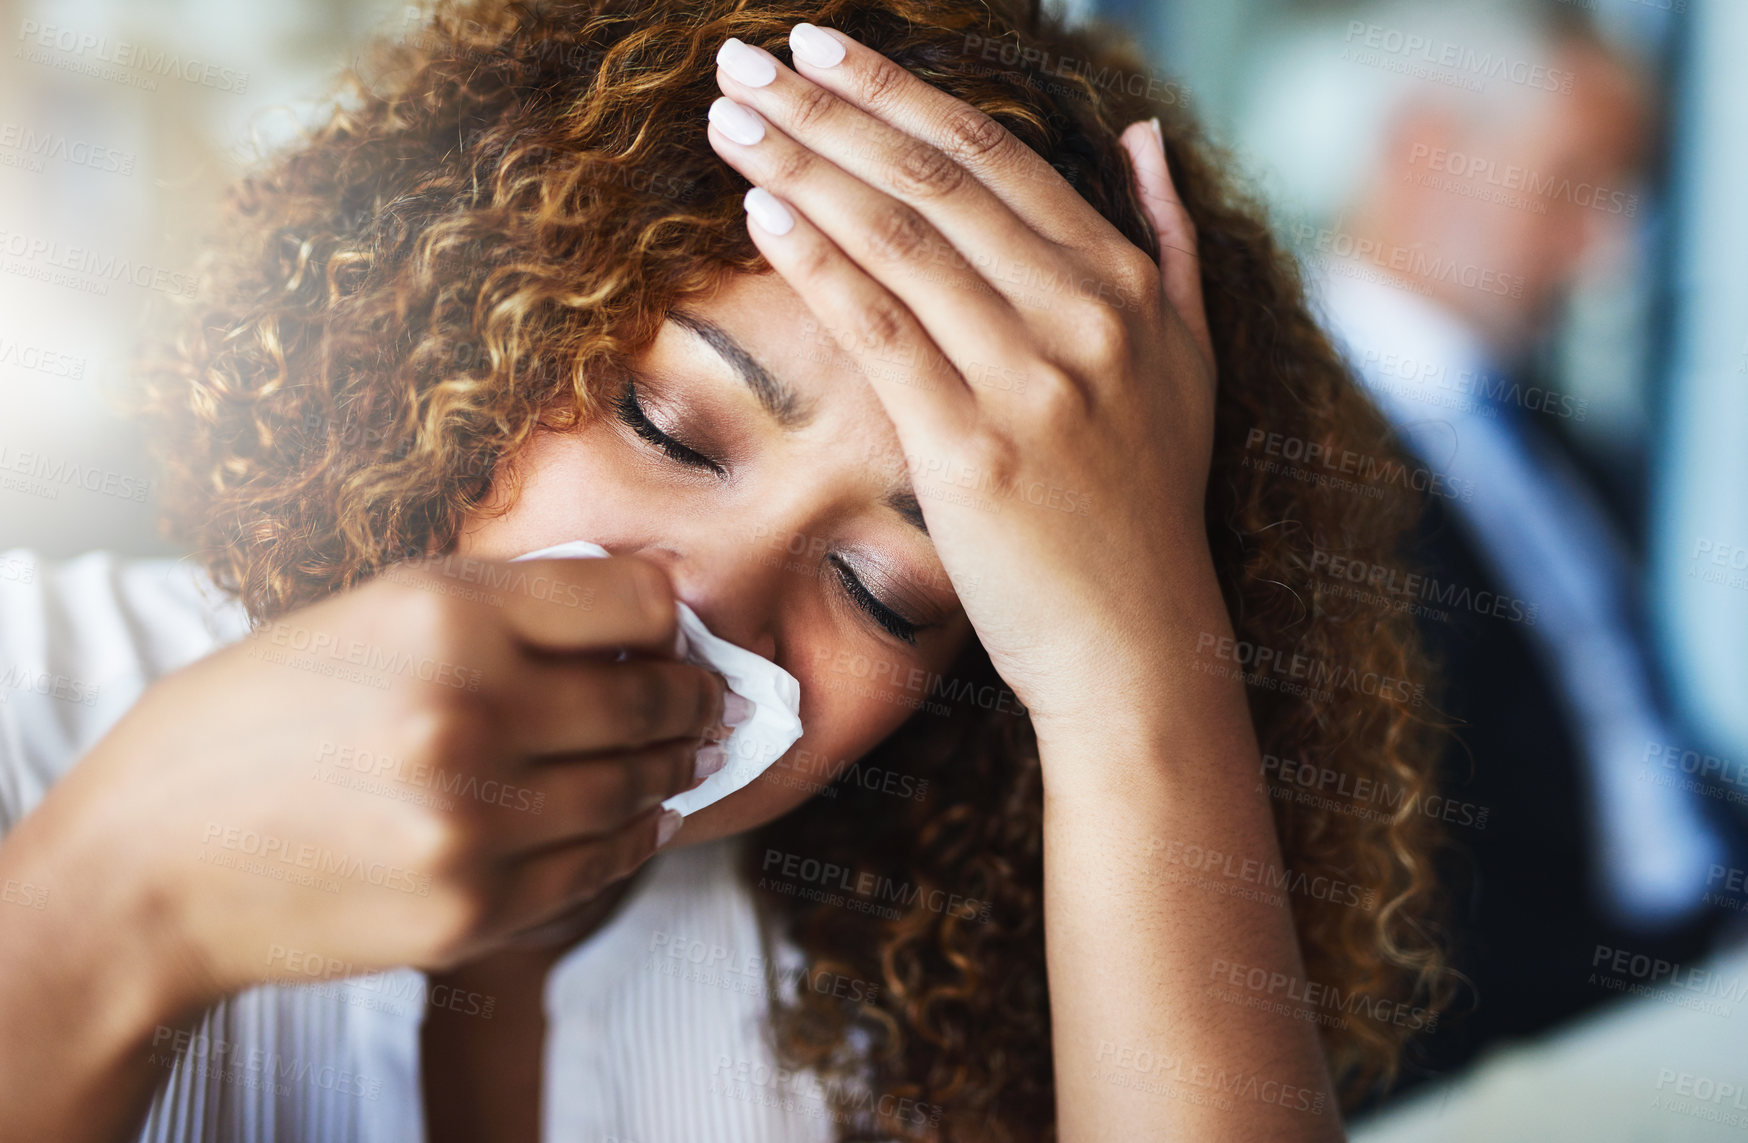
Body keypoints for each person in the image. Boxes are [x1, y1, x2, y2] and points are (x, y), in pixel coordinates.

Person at [0, 0, 1452, 1139]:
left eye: (887, 588)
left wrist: (1137, 670)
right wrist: (114, 905)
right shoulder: (27, 700)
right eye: (671, 427)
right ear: (481, 330)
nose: (714, 604)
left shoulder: (884, 1018)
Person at [1252, 0, 1738, 1090]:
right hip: (1519, 1049)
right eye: (1575, 186)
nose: (1608, 256)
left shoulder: (1565, 448)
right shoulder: (1268, 451)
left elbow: (1641, 760)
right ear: (1426, 149)